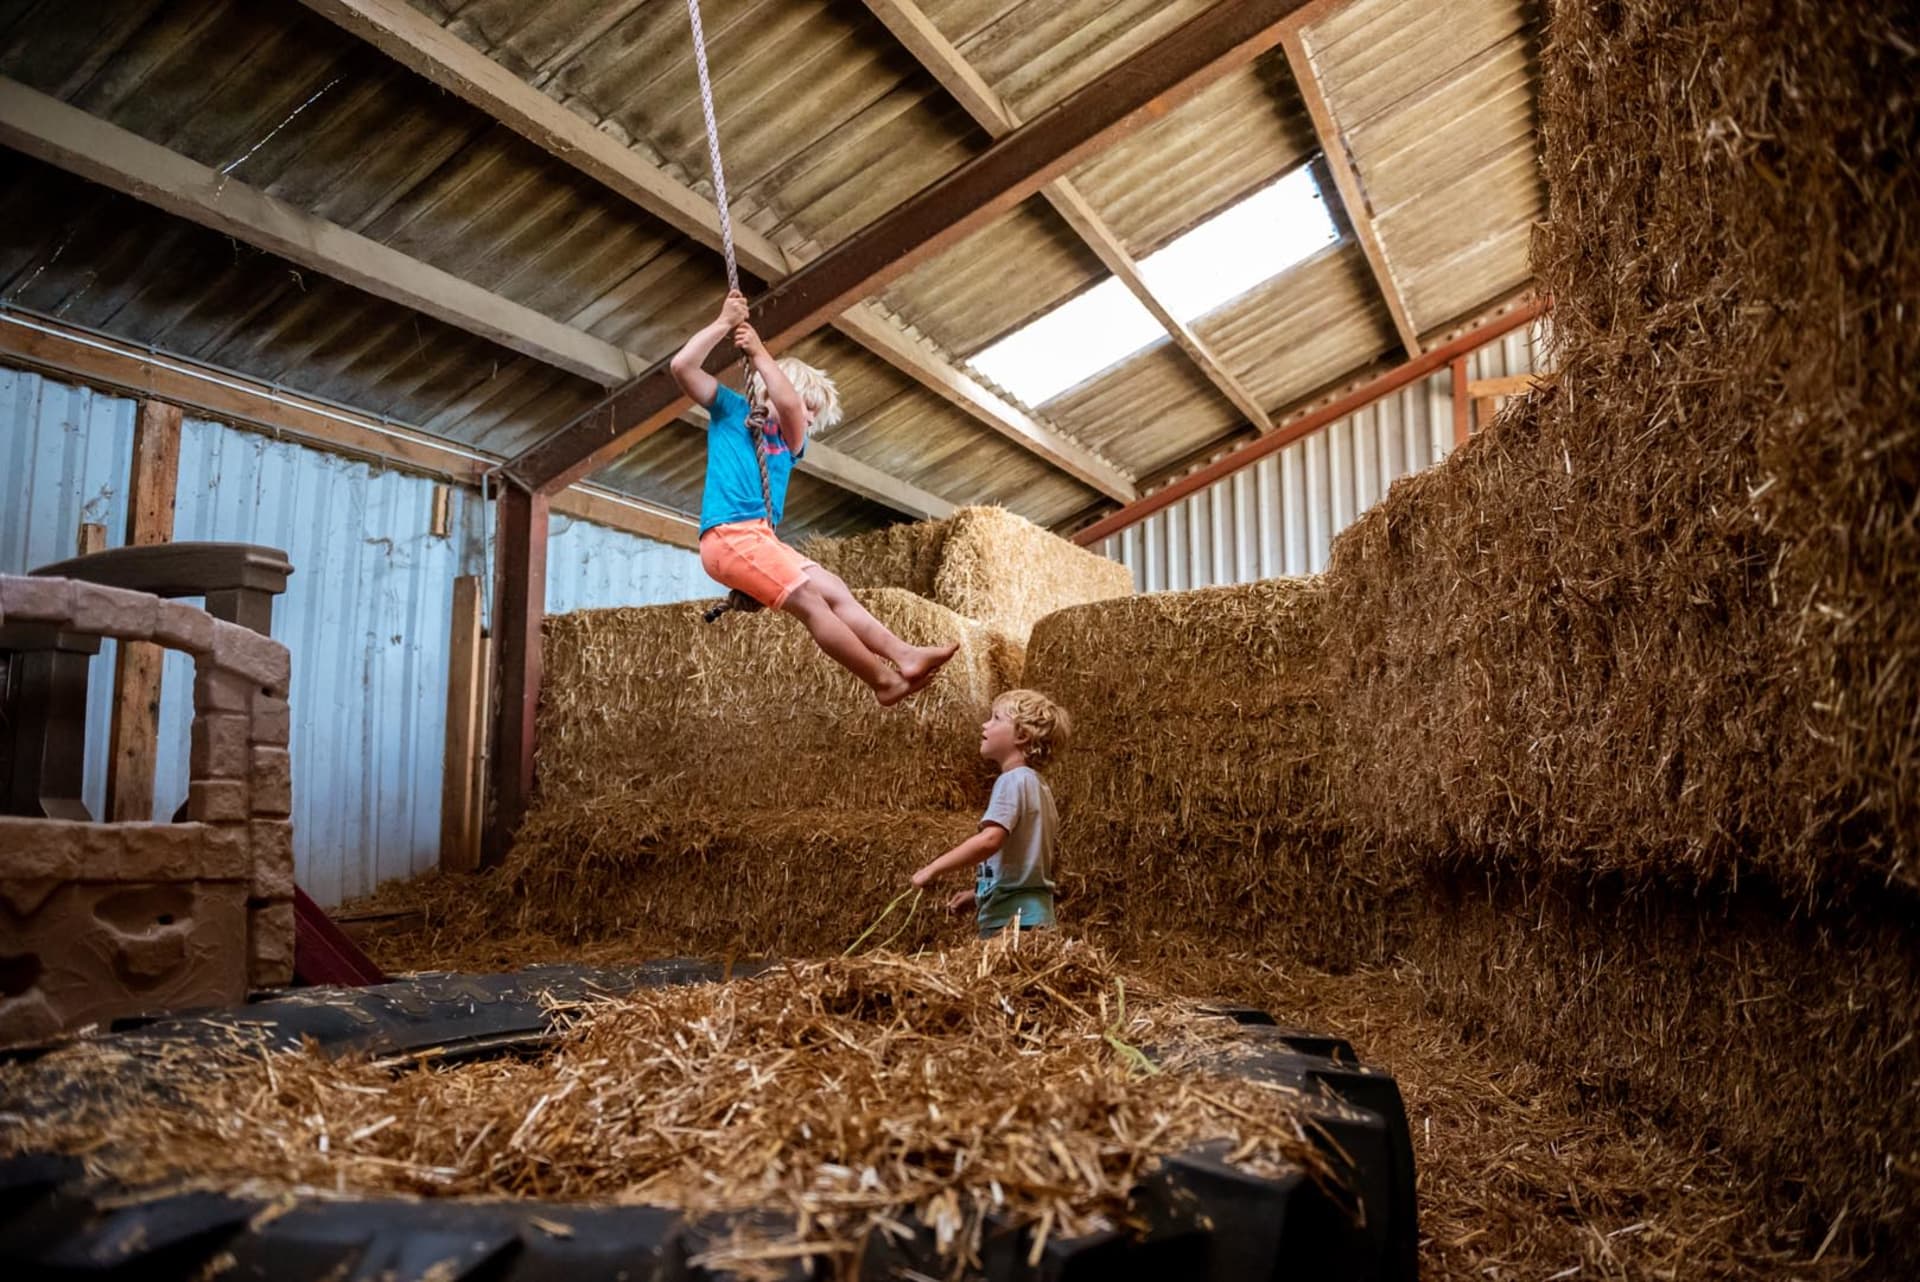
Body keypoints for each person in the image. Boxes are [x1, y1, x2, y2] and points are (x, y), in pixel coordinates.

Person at [670, 290, 956, 705]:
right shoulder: (731, 411)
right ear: (766, 388)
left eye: (812, 416)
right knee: (808, 600)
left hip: (760, 538)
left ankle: (905, 656)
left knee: (834, 589)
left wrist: (759, 351)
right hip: (729, 537)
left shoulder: (789, 442)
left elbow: (785, 403)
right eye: (810, 408)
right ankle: (883, 681)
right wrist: (723, 323)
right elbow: (682, 366)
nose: (806, 418)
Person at [910, 689, 1071, 937]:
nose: (985, 724)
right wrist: (979, 896)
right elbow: (1025, 865)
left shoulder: (1011, 781)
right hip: (1034, 916)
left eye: (996, 718)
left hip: (1012, 921)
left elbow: (990, 840)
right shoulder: (1038, 786)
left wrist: (933, 868)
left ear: (1021, 735)